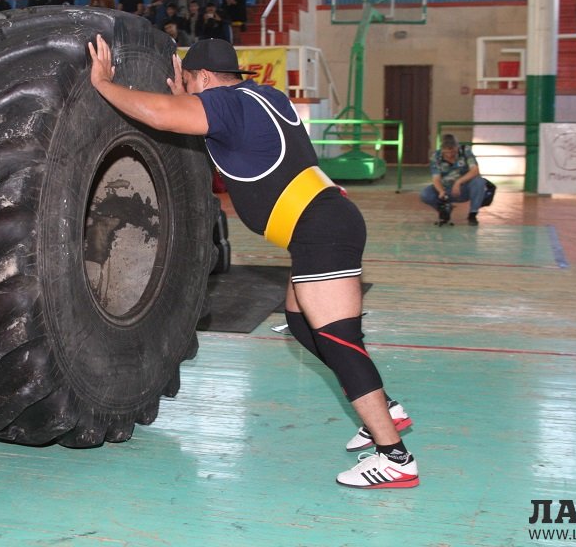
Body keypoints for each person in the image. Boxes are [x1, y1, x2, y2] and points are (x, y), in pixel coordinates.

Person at [87, 36, 418, 489]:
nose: (186, 90)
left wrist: (104, 84)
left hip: (320, 231)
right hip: (322, 223)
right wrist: (189, 98)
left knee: (340, 340)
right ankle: (387, 410)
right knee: (301, 323)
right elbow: (226, 132)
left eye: (188, 81)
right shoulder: (266, 97)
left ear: (205, 77)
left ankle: (394, 457)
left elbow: (161, 115)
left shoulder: (225, 105)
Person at [420, 134, 488, 226]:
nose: (449, 155)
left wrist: (458, 182)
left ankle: (473, 214)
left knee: (479, 182)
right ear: (442, 149)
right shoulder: (436, 156)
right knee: (426, 194)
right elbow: (436, 178)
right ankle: (444, 211)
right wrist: (441, 191)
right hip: (446, 188)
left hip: (465, 188)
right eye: (446, 152)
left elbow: (475, 171)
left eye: (453, 152)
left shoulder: (465, 151)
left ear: (457, 147)